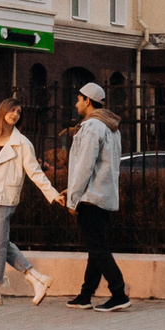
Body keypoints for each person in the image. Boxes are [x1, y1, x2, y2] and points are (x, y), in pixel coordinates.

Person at [0, 97, 61, 306]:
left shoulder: (22, 143)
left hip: (6, 196)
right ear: (3, 111)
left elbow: (36, 173)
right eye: (13, 110)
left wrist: (52, 194)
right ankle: (36, 278)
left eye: (19, 112)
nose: (15, 114)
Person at [61, 81, 129, 311]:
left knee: (98, 249)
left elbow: (84, 166)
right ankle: (85, 295)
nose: (76, 103)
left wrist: (73, 198)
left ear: (88, 101)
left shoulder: (92, 127)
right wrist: (71, 190)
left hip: (90, 197)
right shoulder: (111, 127)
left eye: (79, 99)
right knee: (95, 248)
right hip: (104, 195)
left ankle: (119, 293)